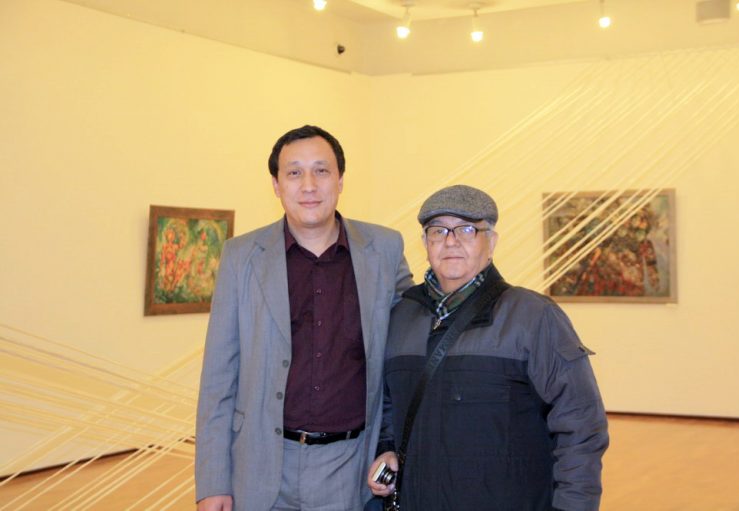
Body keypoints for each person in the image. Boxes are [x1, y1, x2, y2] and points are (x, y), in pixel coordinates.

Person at [196, 125, 413, 511]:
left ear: (340, 180)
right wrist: (213, 482)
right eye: (294, 172)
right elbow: (218, 378)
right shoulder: (240, 256)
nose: (309, 185)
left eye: (321, 171)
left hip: (352, 468)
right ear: (276, 185)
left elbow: (405, 355)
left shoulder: (384, 249)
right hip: (260, 466)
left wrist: (391, 443)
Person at [367, 185, 609, 511]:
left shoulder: (533, 317)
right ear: (425, 243)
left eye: (467, 229)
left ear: (491, 242)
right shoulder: (402, 317)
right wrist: (386, 447)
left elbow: (581, 425)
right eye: (438, 231)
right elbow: (387, 403)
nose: (451, 241)